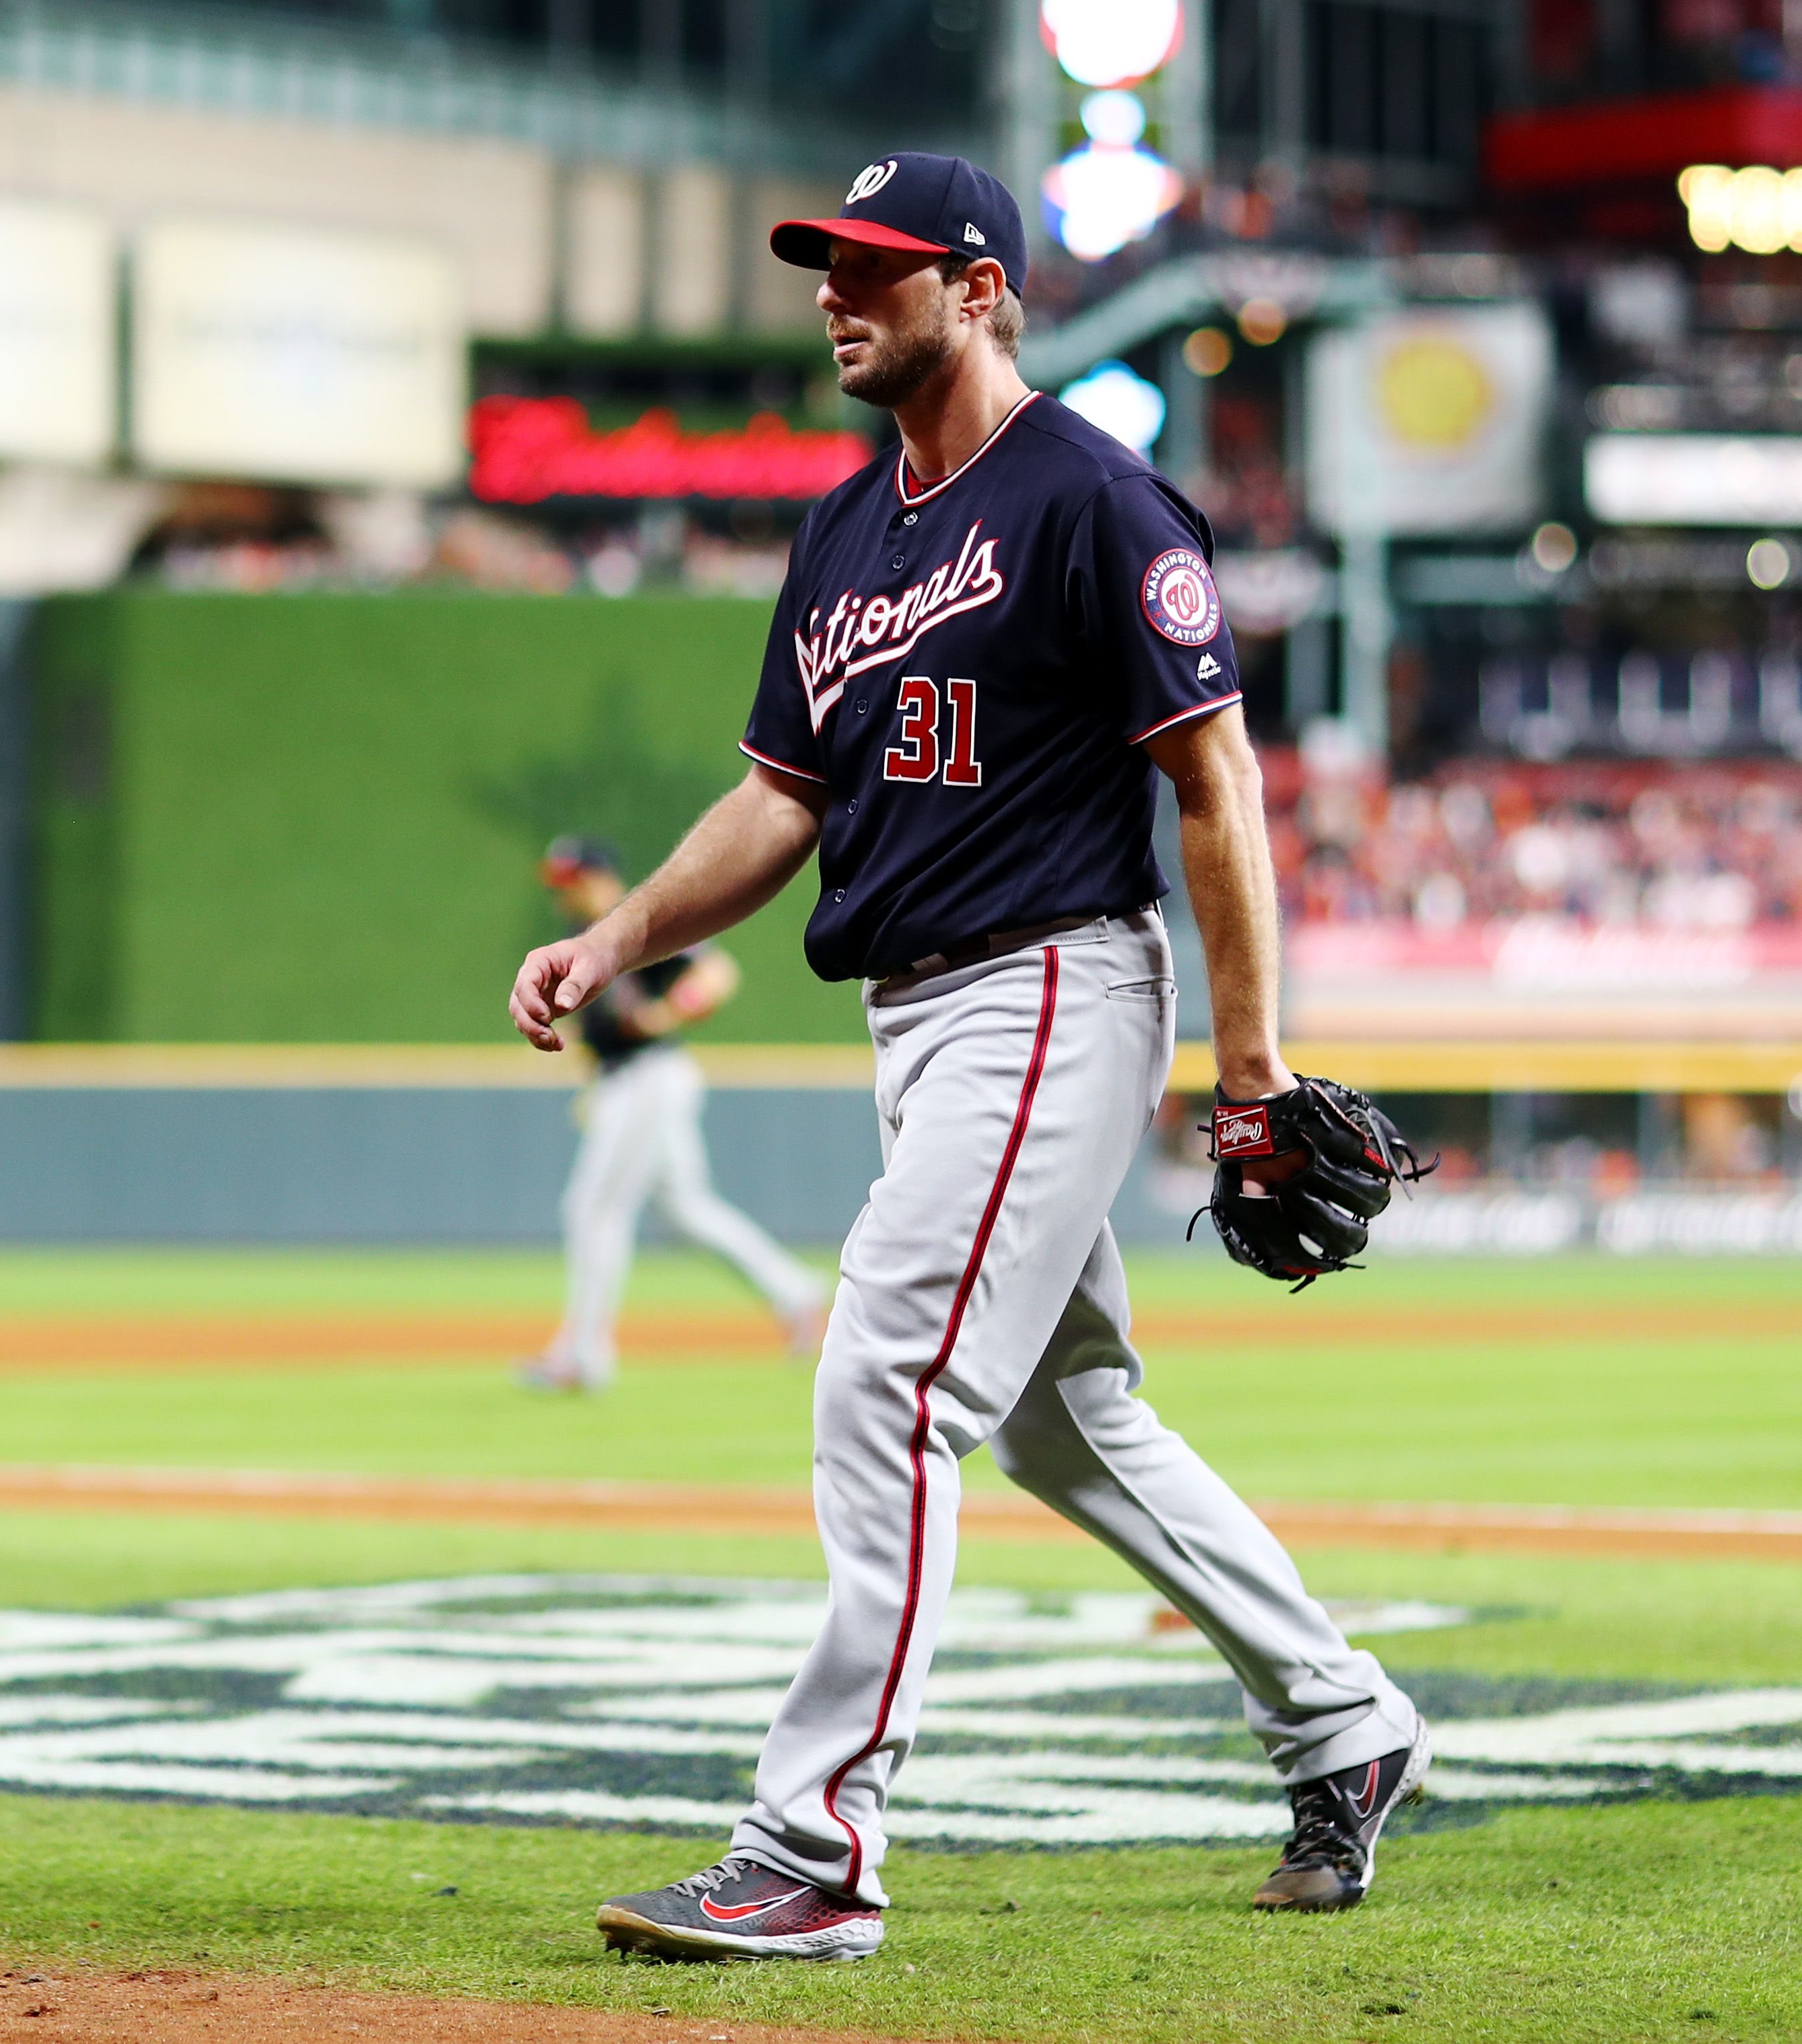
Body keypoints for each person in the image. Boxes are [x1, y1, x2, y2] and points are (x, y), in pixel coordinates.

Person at [506, 152, 1430, 1963]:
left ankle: (812, 1841)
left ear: (980, 286)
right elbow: (780, 800)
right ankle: (1344, 1724)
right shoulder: (847, 528)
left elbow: (1214, 780)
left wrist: (1245, 1078)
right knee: (1060, 1418)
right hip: (921, 1019)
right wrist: (617, 937)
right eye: (823, 269)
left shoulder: (1092, 498)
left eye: (874, 268)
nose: (836, 297)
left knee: (885, 1376)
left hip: (1049, 987)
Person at [522, 834, 828, 1393]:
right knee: (686, 1209)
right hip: (630, 1082)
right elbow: (605, 1023)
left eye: (573, 881)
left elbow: (717, 973)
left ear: (599, 876)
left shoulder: (631, 923)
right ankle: (796, 1291)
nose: (566, 894)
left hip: (649, 1079)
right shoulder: (587, 937)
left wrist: (665, 1015)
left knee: (594, 1207)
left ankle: (584, 1356)